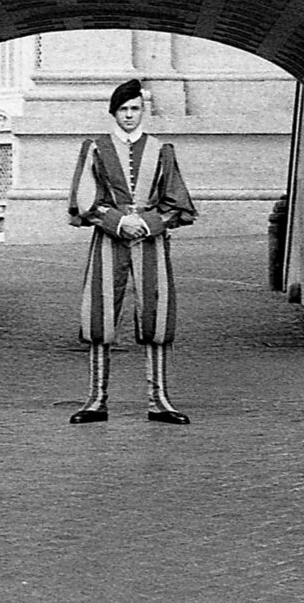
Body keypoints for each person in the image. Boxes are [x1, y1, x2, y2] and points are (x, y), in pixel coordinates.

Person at [65, 77, 197, 425]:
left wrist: (149, 223)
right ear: (113, 113)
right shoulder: (96, 148)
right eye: (123, 110)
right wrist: (120, 222)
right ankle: (95, 400)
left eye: (134, 109)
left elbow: (175, 200)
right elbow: (84, 198)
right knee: (99, 314)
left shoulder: (161, 150)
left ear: (143, 111)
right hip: (109, 240)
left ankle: (159, 401)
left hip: (151, 242)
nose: (129, 116)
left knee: (157, 313)